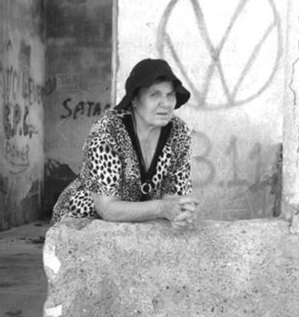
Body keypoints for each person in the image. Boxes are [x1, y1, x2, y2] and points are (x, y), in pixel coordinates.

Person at [51, 58, 198, 227]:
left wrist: (180, 212)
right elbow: (107, 208)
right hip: (82, 223)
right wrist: (163, 208)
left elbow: (172, 197)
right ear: (134, 99)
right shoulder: (108, 131)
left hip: (138, 223)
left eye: (170, 95)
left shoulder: (178, 132)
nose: (165, 103)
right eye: (155, 95)